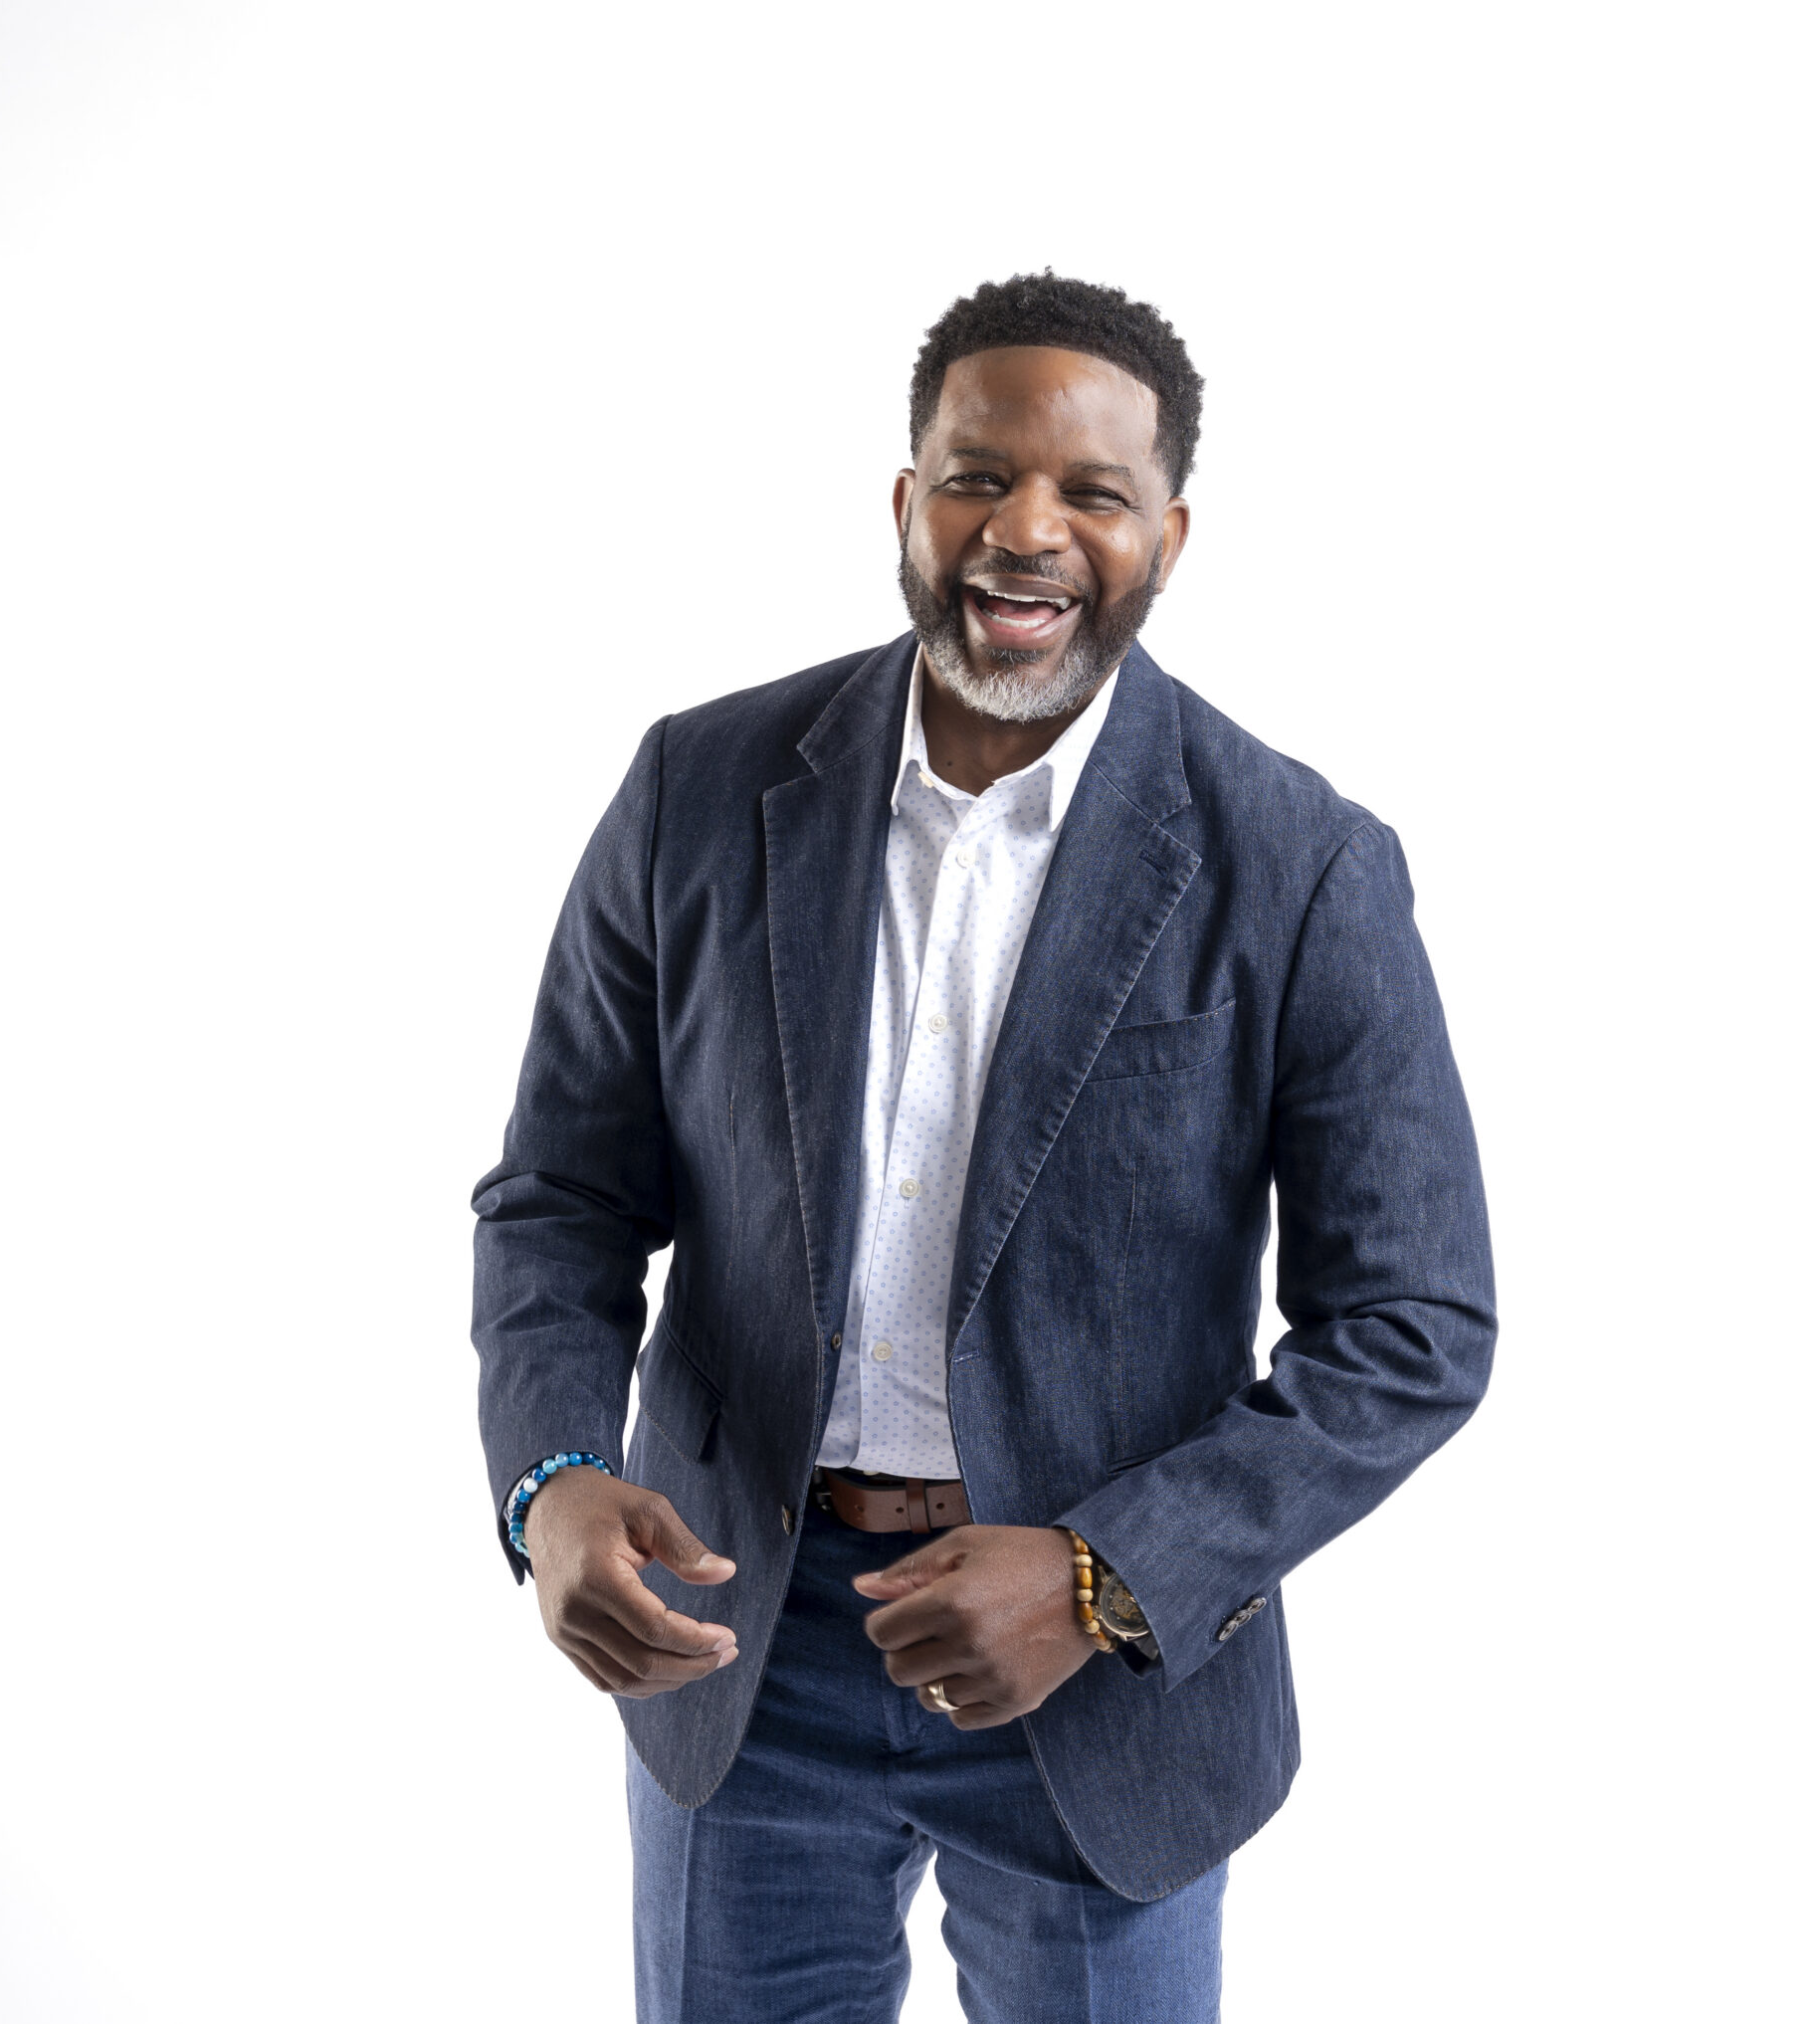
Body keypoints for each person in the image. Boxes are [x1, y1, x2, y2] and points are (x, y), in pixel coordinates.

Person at [472, 272, 1496, 2023]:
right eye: (976, 477)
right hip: (737, 1635)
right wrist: (551, 1477)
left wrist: (1101, 1579)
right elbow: (559, 1200)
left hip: (1099, 1679)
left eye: (1092, 492)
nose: (1026, 530)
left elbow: (1416, 1324)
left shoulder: (1301, 863)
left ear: (1169, 536)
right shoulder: (697, 790)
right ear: (905, 500)